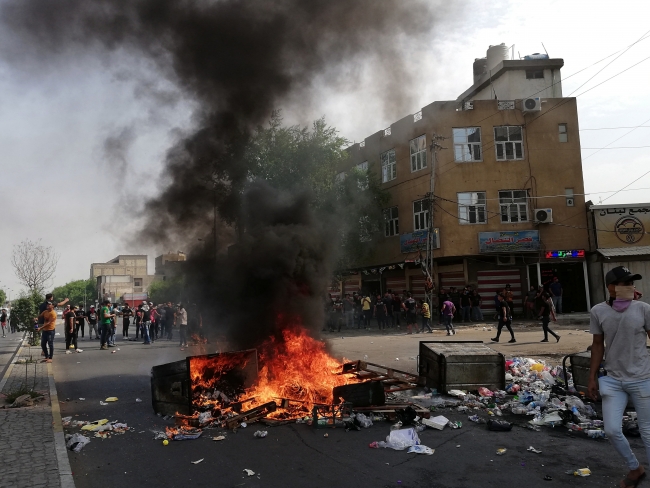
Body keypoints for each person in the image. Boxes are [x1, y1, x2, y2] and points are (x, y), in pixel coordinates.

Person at [588, 266, 650, 488]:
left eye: (631, 283)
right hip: (613, 380)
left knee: (648, 433)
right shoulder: (598, 311)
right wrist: (592, 377)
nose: (630, 287)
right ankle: (635, 469)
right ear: (611, 288)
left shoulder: (643, 309)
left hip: (642, 378)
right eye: (625, 283)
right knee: (612, 430)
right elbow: (597, 345)